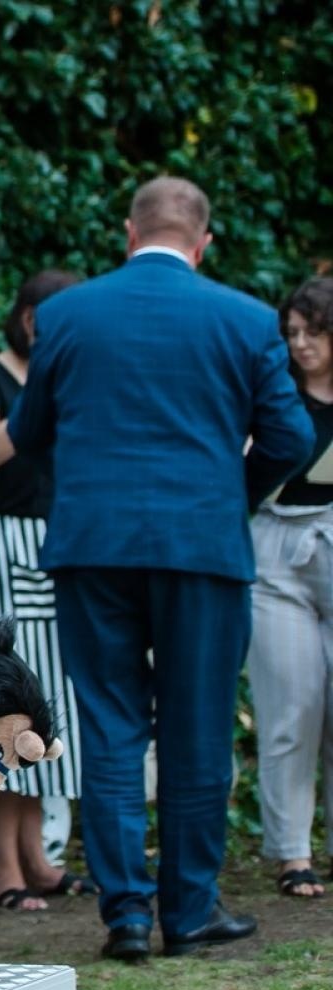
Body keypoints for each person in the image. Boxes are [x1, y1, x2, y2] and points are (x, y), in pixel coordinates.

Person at [6, 177, 314, 962]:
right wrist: (227, 497)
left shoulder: (69, 314)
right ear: (203, 242)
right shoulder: (246, 319)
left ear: (127, 232)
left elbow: (29, 427)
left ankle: (127, 916)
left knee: (110, 726)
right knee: (199, 726)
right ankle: (190, 908)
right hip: (204, 549)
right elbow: (288, 439)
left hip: (93, 546)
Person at [0, 269, 98, 911]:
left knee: (44, 708)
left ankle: (38, 858)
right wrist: (41, 397)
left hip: (50, 550)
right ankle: (2, 869)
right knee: (4, 706)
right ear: (29, 319)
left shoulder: (70, 384)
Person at [248, 276, 333, 899]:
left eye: (314, 332)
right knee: (290, 705)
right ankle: (292, 854)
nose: (301, 344)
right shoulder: (275, 394)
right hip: (275, 543)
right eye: (293, 334)